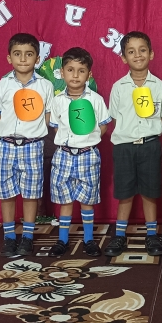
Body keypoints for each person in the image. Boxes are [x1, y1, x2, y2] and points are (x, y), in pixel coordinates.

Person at [103, 32, 162, 257]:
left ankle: (152, 234)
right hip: (124, 147)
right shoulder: (119, 87)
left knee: (150, 191)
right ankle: (120, 235)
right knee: (125, 192)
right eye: (131, 52)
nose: (137, 55)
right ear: (123, 57)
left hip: (150, 145)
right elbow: (114, 117)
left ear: (151, 54)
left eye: (142, 50)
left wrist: (149, 133)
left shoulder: (159, 85)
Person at [0, 33, 54, 257]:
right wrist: (8, 134)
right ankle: (9, 237)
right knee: (7, 192)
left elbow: (48, 116)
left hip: (33, 145)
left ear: (38, 59)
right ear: (9, 58)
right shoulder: (1, 85)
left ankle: (27, 236)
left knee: (30, 192)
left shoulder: (45, 86)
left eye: (29, 54)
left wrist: (33, 132)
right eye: (17, 54)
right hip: (7, 145)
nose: (23, 59)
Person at [47, 47, 111, 257]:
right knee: (65, 200)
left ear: (89, 74)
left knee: (87, 200)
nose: (75, 75)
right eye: (70, 70)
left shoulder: (96, 100)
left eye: (81, 70)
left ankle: (89, 240)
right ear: (62, 73)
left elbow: (103, 125)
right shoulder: (57, 101)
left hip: (87, 155)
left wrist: (88, 140)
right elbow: (55, 127)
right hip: (63, 155)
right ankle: (62, 240)